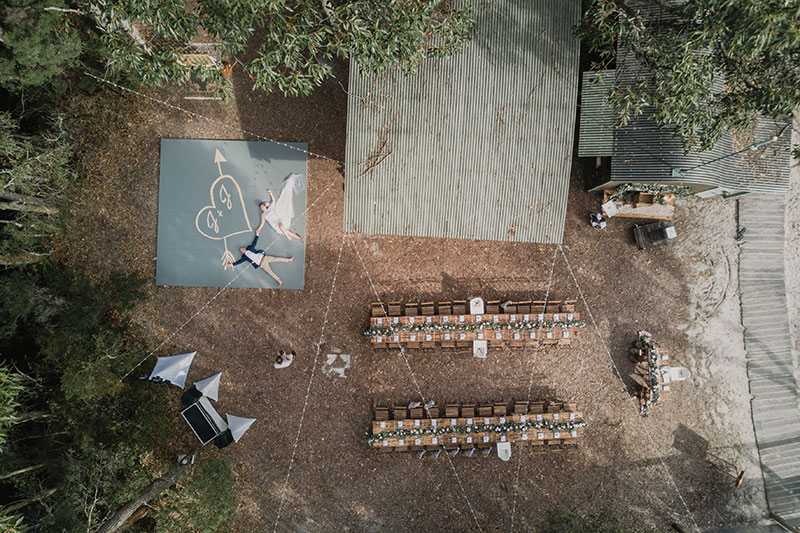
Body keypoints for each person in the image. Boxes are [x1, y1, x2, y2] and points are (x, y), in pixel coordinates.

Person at [224, 232, 293, 286]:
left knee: (277, 259)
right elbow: (239, 262)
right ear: (242, 252)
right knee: (270, 272)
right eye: (241, 250)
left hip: (265, 258)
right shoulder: (244, 257)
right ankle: (279, 280)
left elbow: (254, 242)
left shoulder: (250, 248)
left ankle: (289, 260)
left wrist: (257, 234)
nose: (242, 250)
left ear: (244, 248)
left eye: (242, 248)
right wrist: (231, 265)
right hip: (261, 264)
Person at [256, 173, 306, 241]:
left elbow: (273, 201)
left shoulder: (270, 208)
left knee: (281, 226)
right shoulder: (263, 215)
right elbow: (262, 223)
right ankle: (299, 238)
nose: (262, 208)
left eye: (262, 206)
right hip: (274, 224)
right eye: (261, 207)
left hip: (279, 220)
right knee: (287, 231)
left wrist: (270, 193)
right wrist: (258, 229)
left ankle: (287, 236)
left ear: (265, 206)